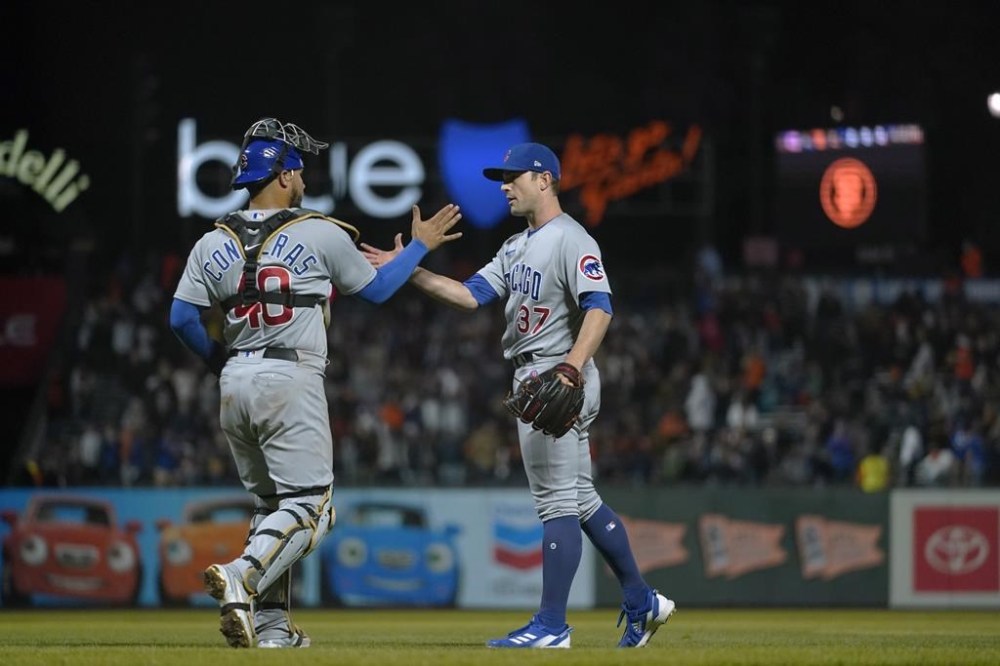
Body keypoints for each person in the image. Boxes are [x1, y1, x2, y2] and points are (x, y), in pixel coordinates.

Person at [361, 142, 675, 649]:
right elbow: (468, 295)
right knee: (581, 499)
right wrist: (411, 268)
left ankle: (552, 626)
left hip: (557, 377)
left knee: (556, 505)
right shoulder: (516, 246)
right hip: (542, 375)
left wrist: (571, 368)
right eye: (502, 178)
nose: (504, 186)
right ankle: (642, 601)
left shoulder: (572, 239)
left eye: (513, 177)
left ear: (545, 179)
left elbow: (600, 307)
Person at [169, 117, 461, 649]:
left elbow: (181, 319)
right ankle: (243, 574)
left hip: (234, 379)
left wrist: (223, 363)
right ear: (282, 175)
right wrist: (418, 247)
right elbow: (375, 292)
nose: (304, 176)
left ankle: (277, 628)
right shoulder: (320, 230)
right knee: (312, 508)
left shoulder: (211, 242)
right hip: (289, 374)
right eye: (298, 167)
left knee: (271, 507)